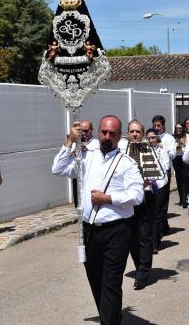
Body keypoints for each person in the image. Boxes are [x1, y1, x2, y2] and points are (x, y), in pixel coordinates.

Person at [52, 116, 144, 325]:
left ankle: (110, 320)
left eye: (112, 133)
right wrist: (69, 142)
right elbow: (57, 169)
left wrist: (108, 198)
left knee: (111, 281)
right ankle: (110, 317)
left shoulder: (127, 163)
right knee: (95, 278)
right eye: (104, 132)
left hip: (117, 230)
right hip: (90, 229)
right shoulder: (86, 158)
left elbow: (137, 195)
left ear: (119, 136)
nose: (107, 136)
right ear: (98, 132)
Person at [119, 121, 169, 290]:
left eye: (138, 131)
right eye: (132, 131)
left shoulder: (150, 150)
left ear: (142, 133)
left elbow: (161, 177)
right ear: (127, 133)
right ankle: (140, 265)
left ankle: (143, 271)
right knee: (130, 236)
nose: (134, 134)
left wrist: (149, 183)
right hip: (128, 199)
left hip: (146, 197)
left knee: (144, 235)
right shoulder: (121, 151)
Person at [152, 115, 176, 236]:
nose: (156, 128)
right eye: (155, 126)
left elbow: (173, 155)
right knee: (154, 201)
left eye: (158, 126)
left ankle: (162, 227)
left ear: (163, 125)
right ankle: (160, 227)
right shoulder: (151, 136)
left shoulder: (169, 138)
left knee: (163, 201)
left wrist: (162, 146)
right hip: (152, 171)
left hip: (165, 171)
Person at [172, 123, 189, 207]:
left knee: (184, 179)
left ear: (183, 128)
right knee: (178, 179)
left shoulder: (187, 136)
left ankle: (184, 200)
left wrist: (183, 143)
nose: (178, 129)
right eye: (177, 128)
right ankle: (181, 199)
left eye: (180, 128)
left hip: (185, 158)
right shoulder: (173, 137)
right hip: (177, 158)